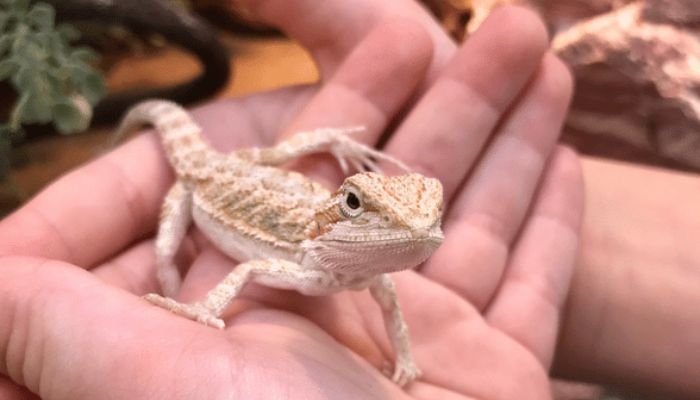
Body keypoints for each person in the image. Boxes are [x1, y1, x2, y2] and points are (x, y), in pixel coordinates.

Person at [0, 1, 697, 398]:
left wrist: (407, 360)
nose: (421, 231)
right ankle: (168, 232)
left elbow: (390, 302)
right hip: (211, 184)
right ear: (343, 215)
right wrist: (201, 309)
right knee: (162, 248)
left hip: (267, 181)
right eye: (366, 209)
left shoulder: (373, 271)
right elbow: (243, 270)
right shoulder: (301, 261)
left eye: (428, 212)